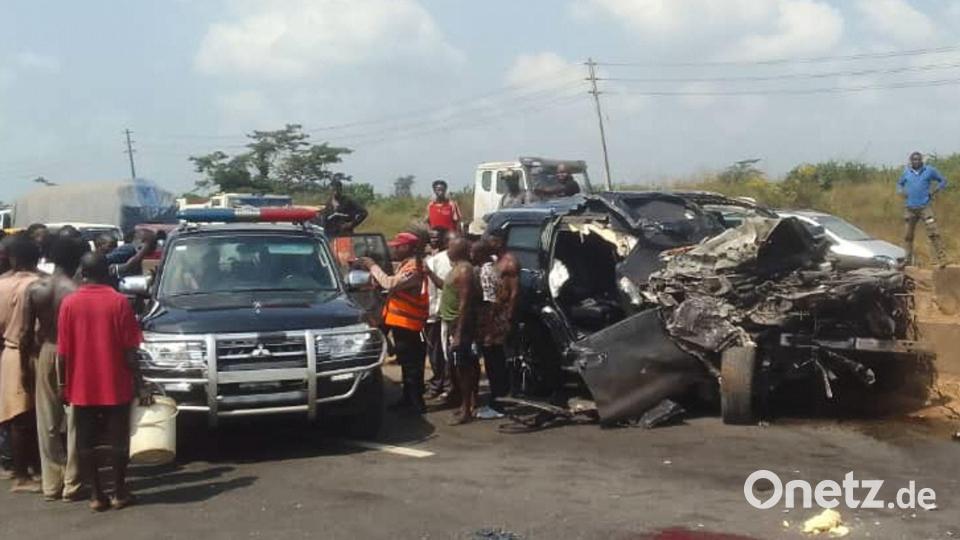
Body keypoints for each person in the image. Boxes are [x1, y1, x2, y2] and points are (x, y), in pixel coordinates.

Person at [58, 253, 148, 511]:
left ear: (81, 273)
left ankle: (97, 495)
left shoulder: (69, 304)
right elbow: (130, 351)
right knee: (118, 439)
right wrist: (140, 382)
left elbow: (63, 351)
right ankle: (119, 492)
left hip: (81, 383)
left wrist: (63, 386)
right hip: (116, 382)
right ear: (107, 272)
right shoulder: (119, 302)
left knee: (85, 440)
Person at [20, 237, 87, 501]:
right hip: (74, 353)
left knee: (46, 420)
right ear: (76, 261)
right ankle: (72, 482)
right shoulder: (77, 291)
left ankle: (51, 484)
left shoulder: (36, 289)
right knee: (75, 420)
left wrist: (26, 366)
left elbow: (26, 333)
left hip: (45, 350)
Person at [357, 232, 429, 414]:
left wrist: (373, 266)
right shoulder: (407, 265)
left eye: (398, 246)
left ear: (408, 247)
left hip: (410, 325)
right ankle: (408, 400)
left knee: (412, 367)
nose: (394, 249)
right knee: (406, 364)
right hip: (402, 323)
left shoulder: (414, 267)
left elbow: (390, 283)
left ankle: (415, 403)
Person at [0, 234, 42, 493]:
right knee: (30, 416)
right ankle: (24, 475)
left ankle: (21, 469)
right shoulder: (40, 284)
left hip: (9, 351)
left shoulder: (1, 285)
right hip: (34, 353)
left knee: (15, 415)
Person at [474, 231, 520, 419]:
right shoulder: (495, 261)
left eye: (491, 239)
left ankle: (499, 403)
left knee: (496, 361)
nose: (488, 242)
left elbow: (514, 293)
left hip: (498, 316)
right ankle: (498, 398)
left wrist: (507, 317)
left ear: (500, 241)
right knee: (492, 360)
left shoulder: (509, 262)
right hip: (491, 316)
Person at [440, 237, 478, 425]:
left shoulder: (464, 270)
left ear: (459, 250)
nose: (447, 250)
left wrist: (459, 333)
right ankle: (466, 404)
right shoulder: (455, 268)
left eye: (450, 247)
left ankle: (466, 409)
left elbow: (465, 304)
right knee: (458, 366)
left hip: (460, 324)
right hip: (452, 323)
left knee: (463, 367)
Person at [898, 152, 949, 267]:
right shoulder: (906, 172)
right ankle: (907, 260)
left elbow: (943, 180)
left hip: (925, 207)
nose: (916, 162)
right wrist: (901, 191)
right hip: (910, 208)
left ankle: (942, 259)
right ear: (911, 161)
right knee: (908, 236)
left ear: (921, 160)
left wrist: (935, 190)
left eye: (918, 159)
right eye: (913, 160)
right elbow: (899, 184)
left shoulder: (929, 170)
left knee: (933, 232)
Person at [422, 228, 454, 399]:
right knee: (436, 352)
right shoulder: (435, 260)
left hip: (446, 314)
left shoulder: (457, 261)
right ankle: (439, 383)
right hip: (436, 313)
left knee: (446, 352)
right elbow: (430, 290)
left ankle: (446, 385)